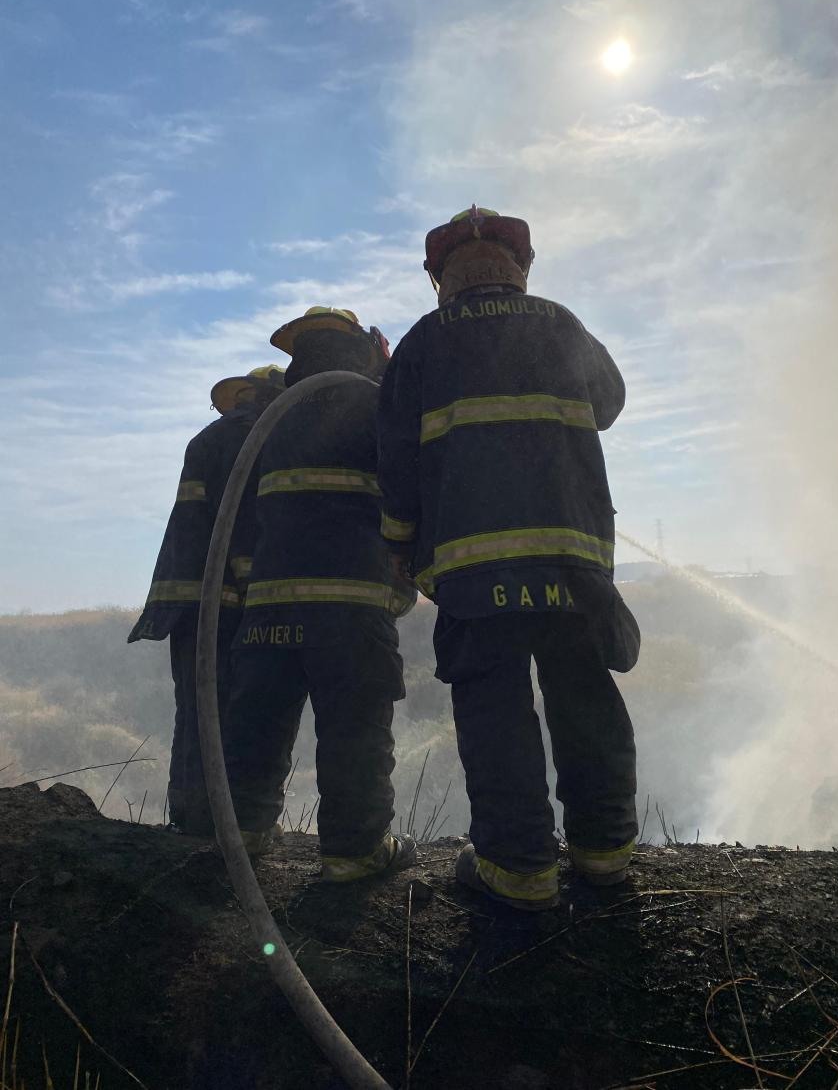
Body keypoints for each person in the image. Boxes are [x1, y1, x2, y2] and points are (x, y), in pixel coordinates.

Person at [377, 207, 640, 911]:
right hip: (573, 560)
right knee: (584, 698)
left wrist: (399, 545)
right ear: (519, 269)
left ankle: (519, 869)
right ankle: (604, 854)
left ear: (440, 280)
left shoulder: (422, 342)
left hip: (471, 572)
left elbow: (396, 459)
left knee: (494, 711)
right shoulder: (561, 322)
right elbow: (609, 403)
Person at [222, 307, 417, 874]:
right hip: (351, 607)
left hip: (267, 609)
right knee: (354, 729)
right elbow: (407, 491)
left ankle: (246, 834)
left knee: (256, 724)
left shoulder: (266, 419)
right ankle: (355, 852)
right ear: (358, 348)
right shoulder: (377, 405)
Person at [128, 366, 285, 834]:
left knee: (198, 706)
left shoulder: (205, 439)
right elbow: (248, 524)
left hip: (186, 602)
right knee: (245, 710)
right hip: (234, 599)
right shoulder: (263, 436)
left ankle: (193, 817)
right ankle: (234, 823)